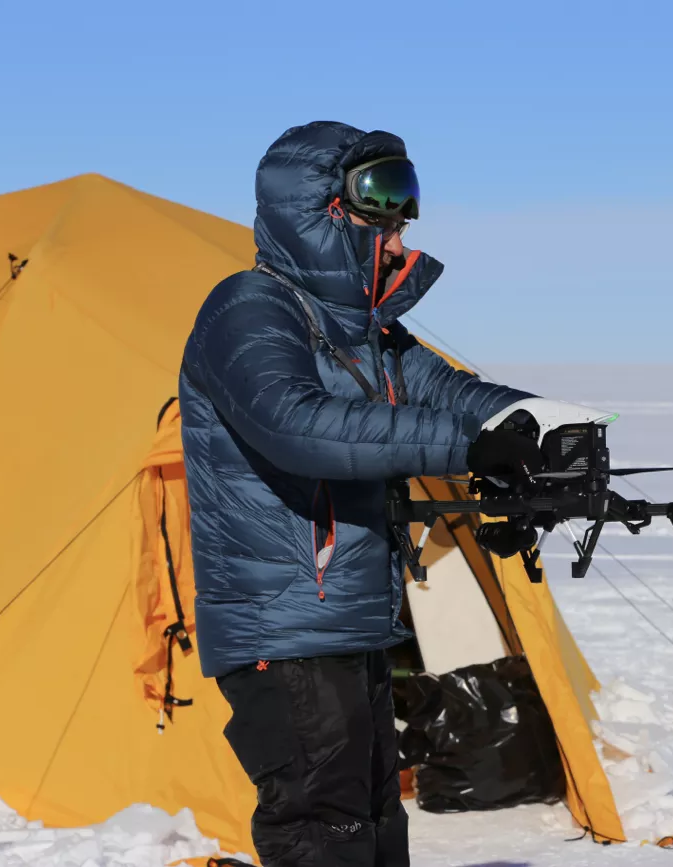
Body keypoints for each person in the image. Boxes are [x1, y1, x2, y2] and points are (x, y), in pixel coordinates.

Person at [178, 121, 546, 867]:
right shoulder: (249, 309)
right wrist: (467, 447)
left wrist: (542, 431)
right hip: (284, 634)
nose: (398, 225)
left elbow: (460, 395)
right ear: (318, 211)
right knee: (325, 833)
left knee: (375, 829)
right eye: (378, 203)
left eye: (404, 203)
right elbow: (297, 424)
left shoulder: (370, 339)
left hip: (351, 625)